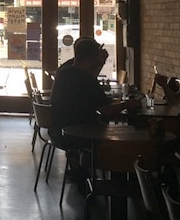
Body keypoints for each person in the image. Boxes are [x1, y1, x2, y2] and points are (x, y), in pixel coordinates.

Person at [50, 37, 142, 190]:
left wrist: (98, 63)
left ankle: (80, 169)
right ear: (92, 57)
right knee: (126, 141)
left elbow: (90, 85)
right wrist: (129, 104)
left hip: (60, 132)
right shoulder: (86, 80)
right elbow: (107, 110)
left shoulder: (64, 72)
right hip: (80, 135)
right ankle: (128, 185)